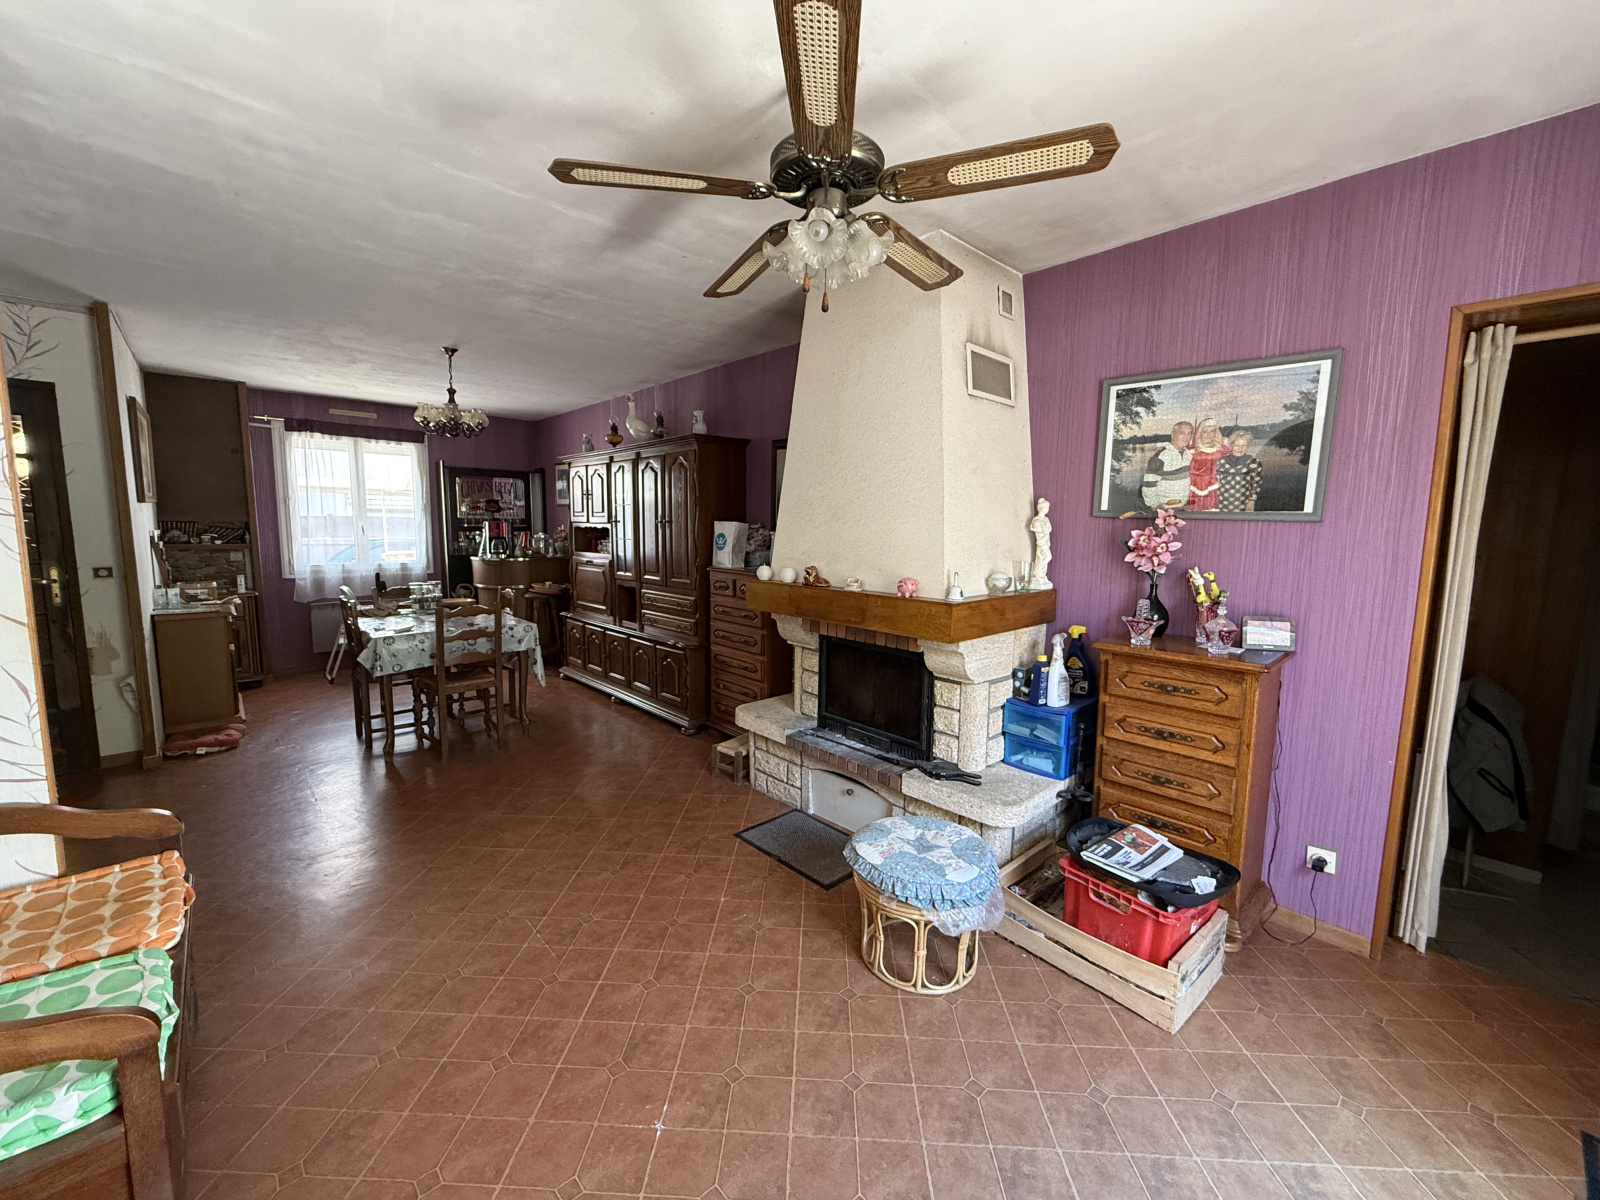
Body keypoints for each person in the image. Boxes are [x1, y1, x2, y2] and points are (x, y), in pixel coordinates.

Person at [1139, 421, 1193, 511]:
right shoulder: (1160, 456)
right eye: (1182, 433)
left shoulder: (1188, 454)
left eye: (1189, 433)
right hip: (1165, 508)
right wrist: (1155, 505)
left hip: (1184, 506)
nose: (1186, 437)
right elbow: (1149, 484)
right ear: (1173, 435)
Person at [1217, 429, 1264, 512]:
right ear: (1231, 446)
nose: (1240, 448)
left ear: (1247, 446)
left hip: (1242, 503)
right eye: (1237, 445)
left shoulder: (1254, 462)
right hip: (1222, 502)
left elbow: (1256, 484)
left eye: (1243, 445)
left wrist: (1251, 501)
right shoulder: (1221, 461)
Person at [1186, 418, 1226, 511]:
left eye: (1212, 431)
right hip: (1194, 491)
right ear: (1200, 433)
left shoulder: (1223, 451)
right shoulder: (1192, 452)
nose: (1208, 435)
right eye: (1205, 431)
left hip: (1216, 490)